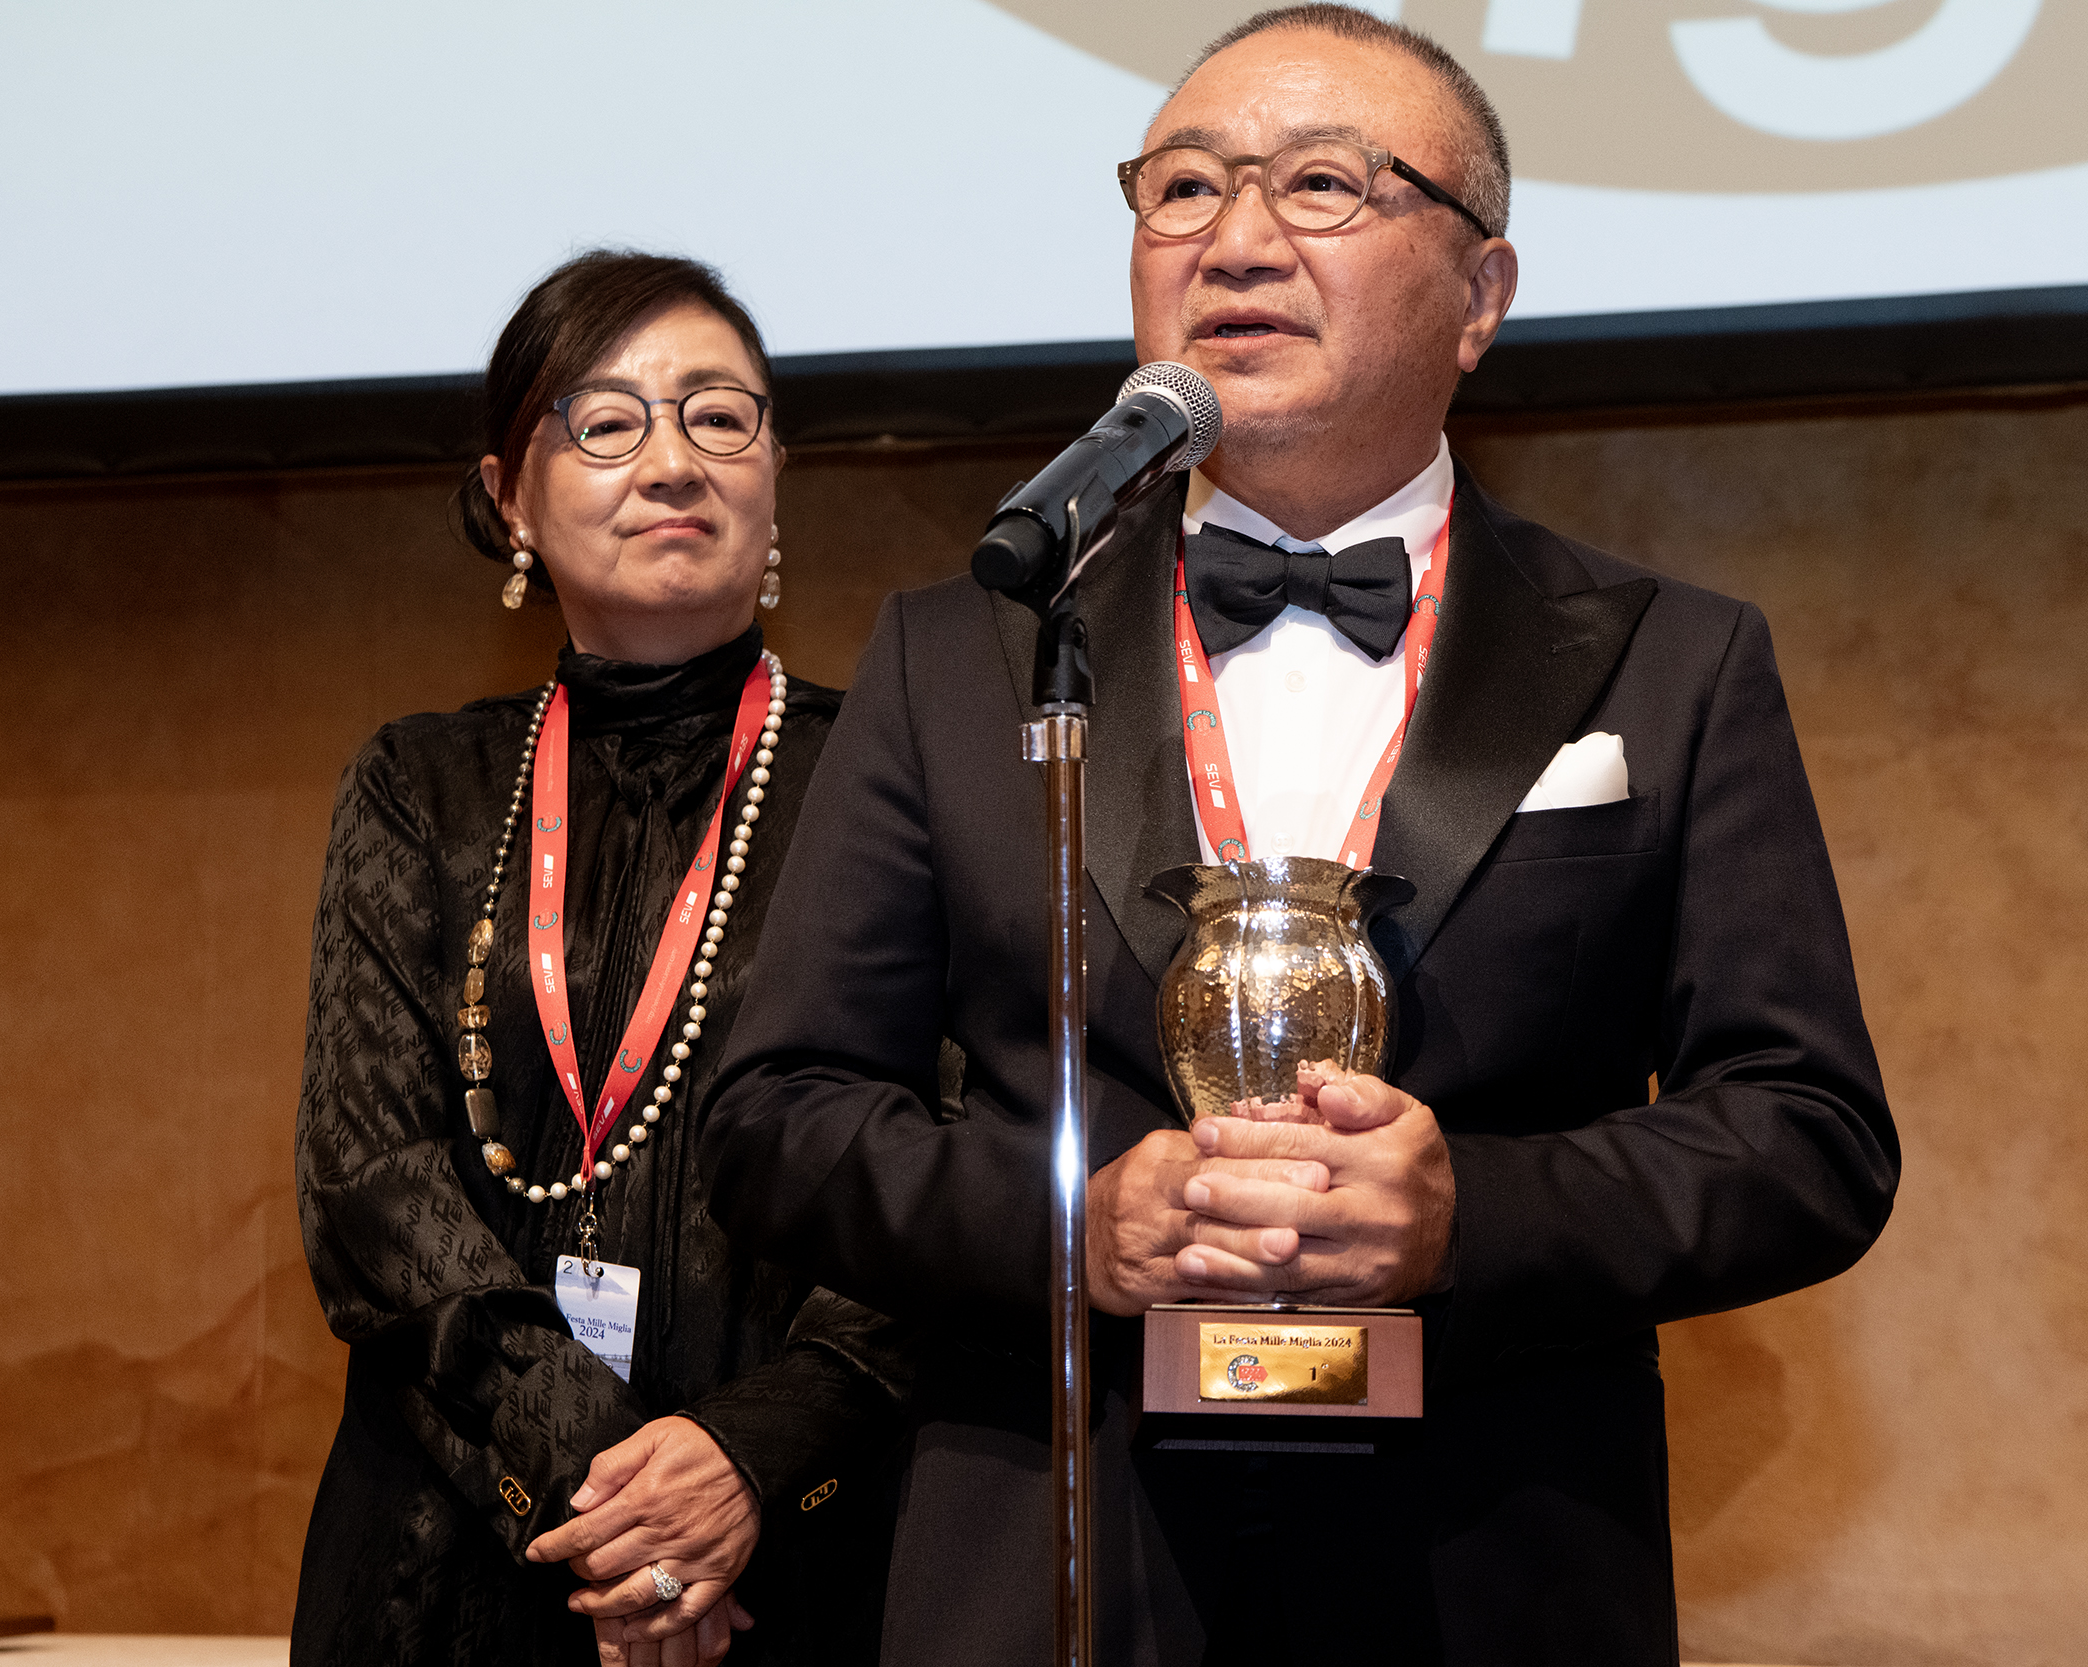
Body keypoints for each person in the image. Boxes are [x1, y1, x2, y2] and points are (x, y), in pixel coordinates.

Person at [703, 8, 1899, 1665]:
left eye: (1323, 184)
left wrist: (1471, 1215)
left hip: (1494, 1567)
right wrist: (1077, 1223)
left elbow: (1807, 1135)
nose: (1237, 241)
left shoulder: (1669, 662)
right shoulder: (963, 650)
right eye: (1183, 188)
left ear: (1480, 295)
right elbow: (776, 1118)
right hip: (1055, 1563)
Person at [293, 250, 905, 1667]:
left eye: (720, 416)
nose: (672, 462)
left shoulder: (891, 775)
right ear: (511, 496)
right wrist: (620, 1505)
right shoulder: (421, 788)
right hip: (449, 1563)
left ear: (775, 474)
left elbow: (948, 1168)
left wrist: (738, 1468)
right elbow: (373, 1194)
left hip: (799, 1560)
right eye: (607, 422)